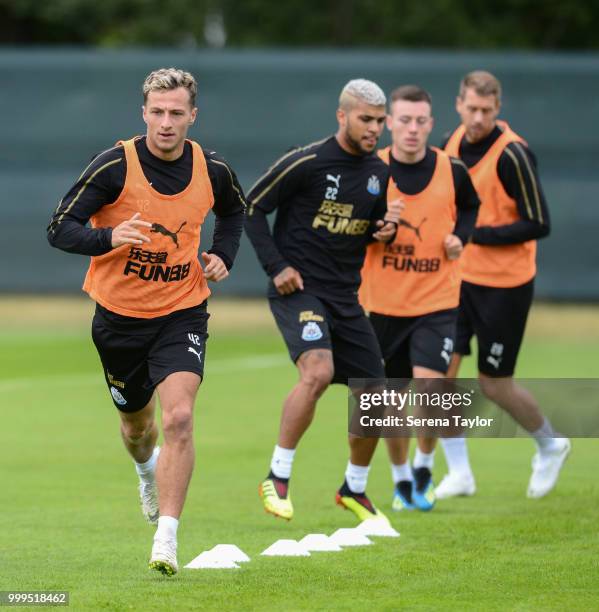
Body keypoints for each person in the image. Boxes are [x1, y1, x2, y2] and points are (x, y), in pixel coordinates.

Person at [47, 67, 245, 576]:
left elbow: (234, 212)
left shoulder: (213, 168)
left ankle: (167, 539)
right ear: (144, 113)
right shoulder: (113, 165)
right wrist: (108, 239)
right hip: (118, 319)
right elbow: (59, 228)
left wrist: (223, 253)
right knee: (139, 428)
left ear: (192, 116)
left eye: (176, 113)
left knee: (178, 417)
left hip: (182, 310)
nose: (166, 122)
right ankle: (145, 470)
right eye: (157, 112)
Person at [244, 79, 401, 523]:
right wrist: (277, 266)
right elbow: (253, 207)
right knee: (318, 371)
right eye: (365, 119)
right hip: (299, 290)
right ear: (342, 116)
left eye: (379, 121)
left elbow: (367, 227)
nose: (374, 129)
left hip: (345, 296)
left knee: (375, 392)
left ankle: (354, 487)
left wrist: (382, 231)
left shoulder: (378, 173)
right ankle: (277, 477)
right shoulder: (306, 161)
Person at [436, 70, 570, 499]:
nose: (477, 118)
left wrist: (475, 234)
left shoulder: (513, 154)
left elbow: (538, 223)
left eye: (486, 111)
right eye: (471, 108)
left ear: (498, 109)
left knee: (494, 383)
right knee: (439, 375)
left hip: (505, 286)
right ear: (459, 104)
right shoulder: (449, 144)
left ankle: (551, 444)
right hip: (459, 282)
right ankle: (459, 472)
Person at [360, 85, 479, 512]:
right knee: (389, 403)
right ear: (390, 123)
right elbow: (356, 226)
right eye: (404, 120)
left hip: (437, 301)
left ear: (431, 124)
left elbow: (470, 207)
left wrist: (458, 238)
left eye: (420, 121)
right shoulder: (372, 171)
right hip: (383, 305)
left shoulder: (453, 169)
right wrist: (379, 231)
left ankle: (426, 467)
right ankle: (402, 478)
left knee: (430, 390)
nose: (412, 129)